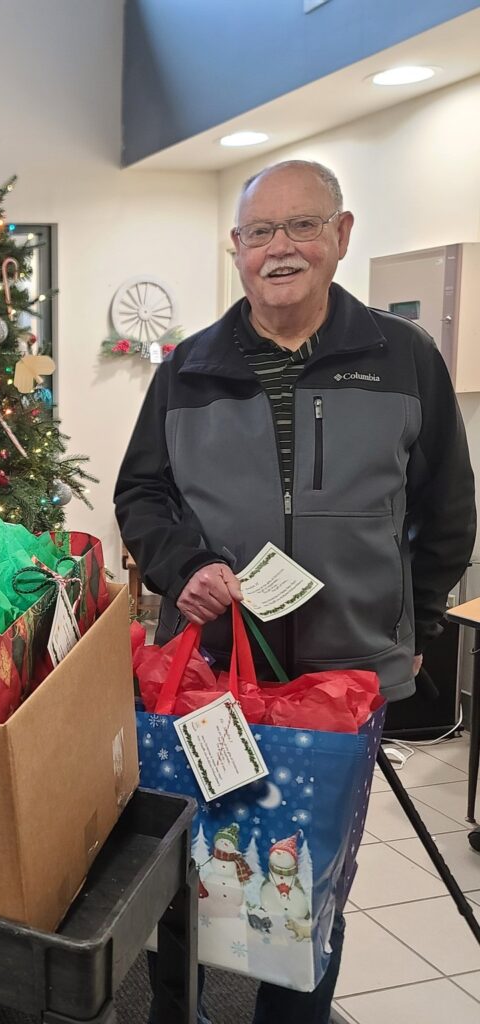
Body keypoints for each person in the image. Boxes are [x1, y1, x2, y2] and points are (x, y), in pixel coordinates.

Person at [115, 160, 475, 1023]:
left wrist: (415, 620)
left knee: (308, 878)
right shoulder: (187, 369)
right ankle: (181, 1010)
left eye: (302, 227)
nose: (281, 249)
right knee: (190, 869)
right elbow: (142, 494)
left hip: (342, 681)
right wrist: (186, 565)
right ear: (235, 251)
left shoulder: (404, 359)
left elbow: (447, 509)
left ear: (341, 236)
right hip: (208, 676)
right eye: (260, 233)